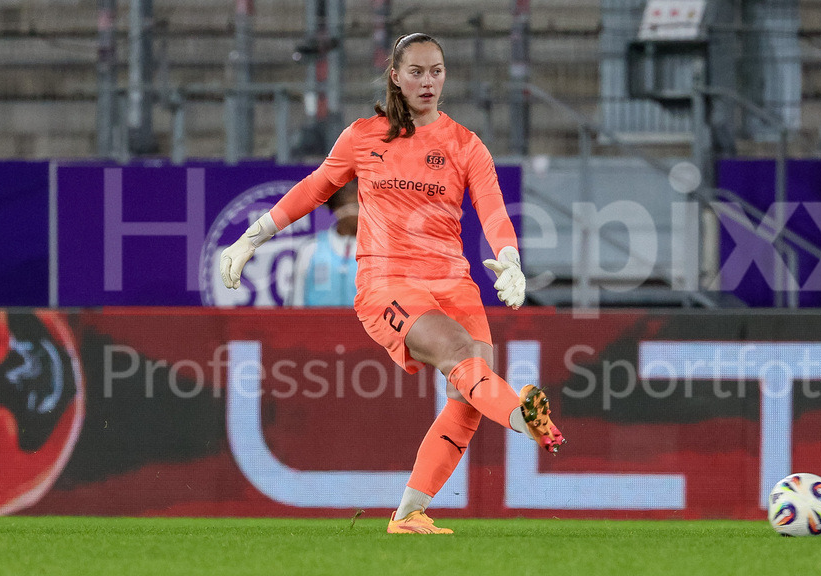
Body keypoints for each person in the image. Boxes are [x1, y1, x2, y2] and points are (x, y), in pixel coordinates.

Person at [220, 32, 565, 534]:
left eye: (437, 71)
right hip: (388, 282)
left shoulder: (466, 145)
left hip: (454, 281)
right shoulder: (364, 136)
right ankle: (525, 419)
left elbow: (492, 209)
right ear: (396, 77)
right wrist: (252, 237)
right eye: (417, 71)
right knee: (457, 353)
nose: (428, 81)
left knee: (469, 399)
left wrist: (510, 260)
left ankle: (408, 515)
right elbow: (316, 187)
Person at [290, 180, 359, 307]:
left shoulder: (378, 253)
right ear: (338, 209)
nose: (361, 213)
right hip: (316, 326)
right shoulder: (311, 249)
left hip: (361, 326)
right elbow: (296, 302)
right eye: (355, 206)